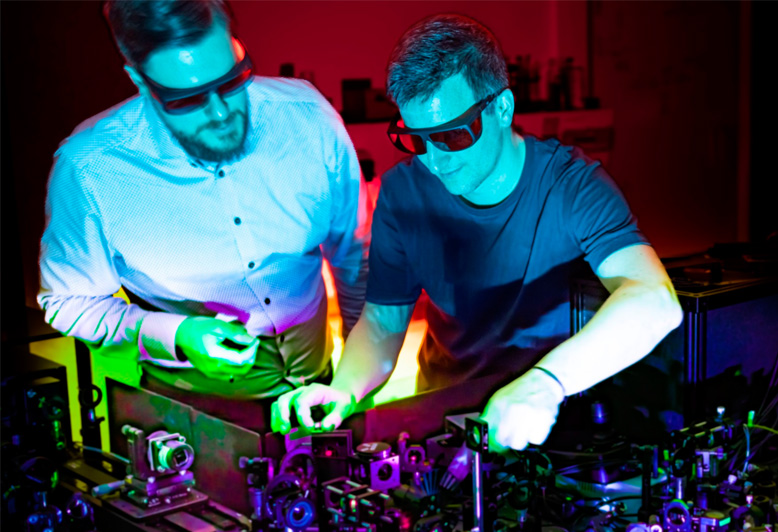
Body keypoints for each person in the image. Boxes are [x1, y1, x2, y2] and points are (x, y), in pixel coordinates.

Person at [272, 13, 683, 451]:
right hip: (445, 421)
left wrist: (545, 384)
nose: (434, 159)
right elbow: (383, 321)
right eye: (417, 139)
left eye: (451, 136)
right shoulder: (403, 193)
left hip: (552, 420)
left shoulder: (571, 185)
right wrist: (344, 391)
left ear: (502, 108)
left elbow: (654, 301)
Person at [37, 0, 367, 420]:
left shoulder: (307, 118)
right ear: (138, 80)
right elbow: (67, 301)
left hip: (324, 389)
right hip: (189, 418)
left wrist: (356, 388)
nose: (221, 113)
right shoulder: (90, 170)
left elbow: (357, 259)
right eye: (186, 98)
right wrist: (175, 334)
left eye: (232, 80)